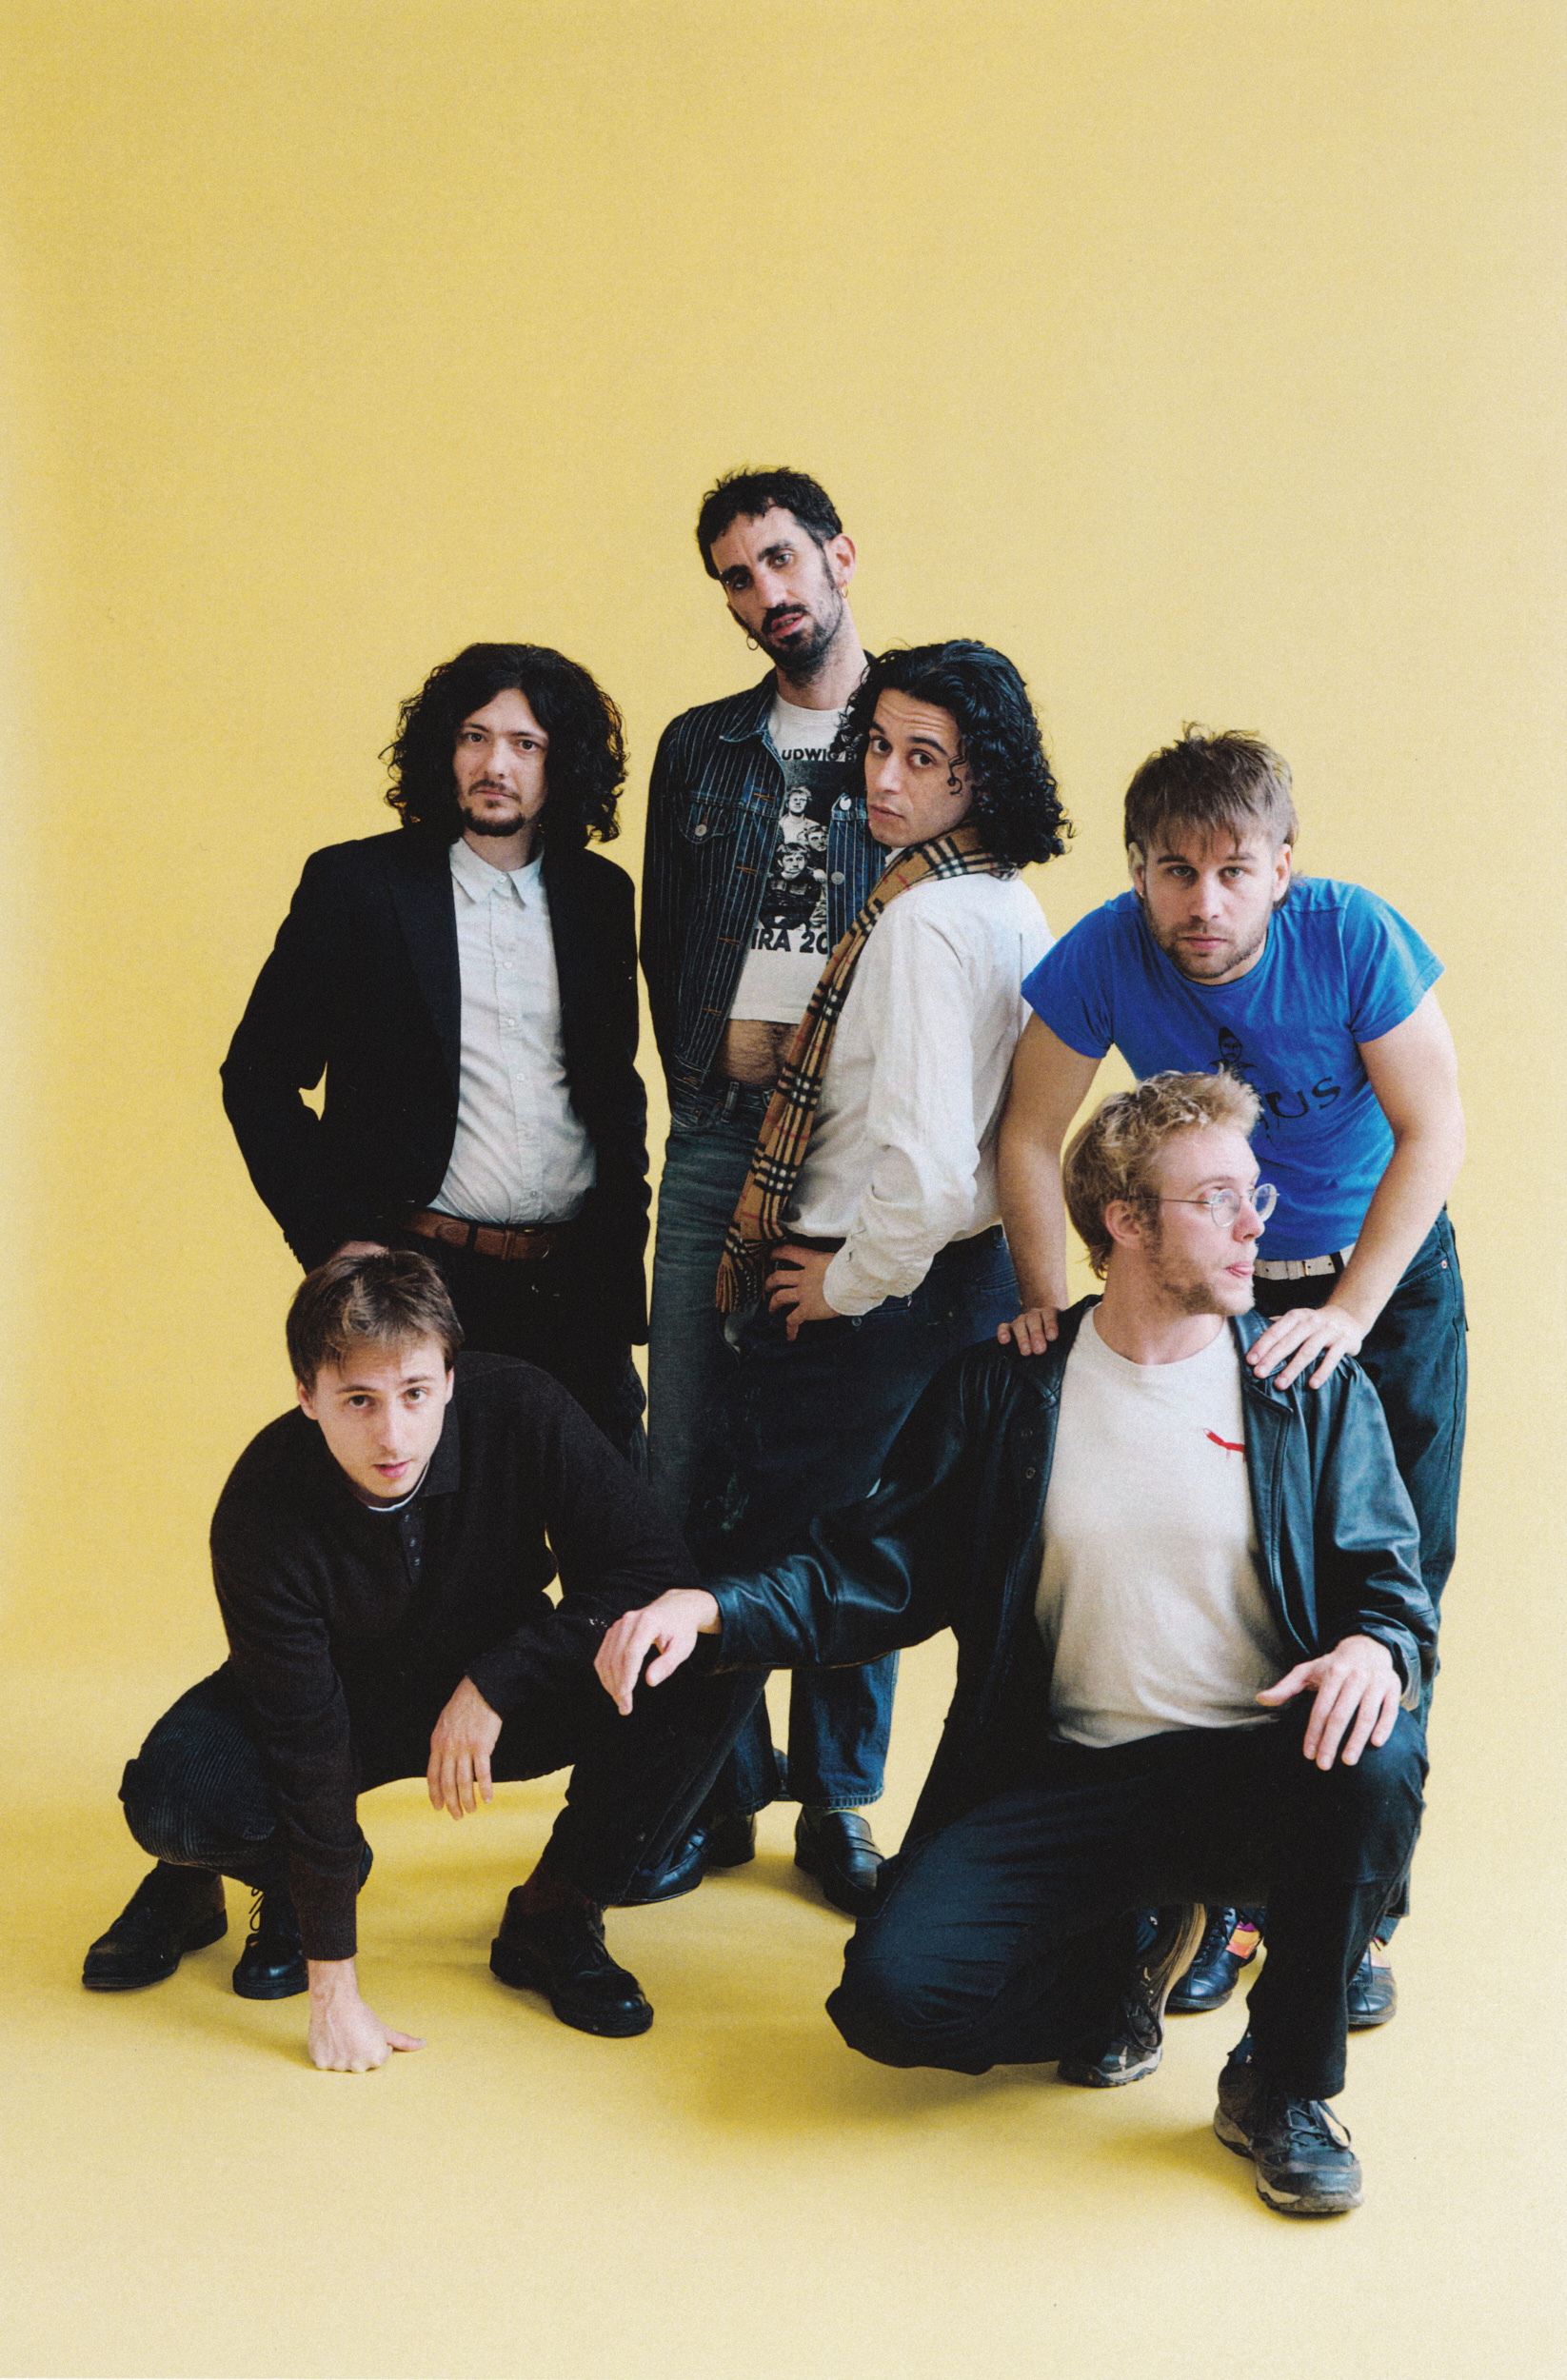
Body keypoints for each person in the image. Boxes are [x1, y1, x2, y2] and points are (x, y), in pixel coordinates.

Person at [597, 1074, 1434, 2217]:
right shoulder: (1008, 1388)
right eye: (1217, 1199)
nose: (1254, 1224)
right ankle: (1122, 1964)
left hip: (1251, 1772)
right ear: (1124, 1222)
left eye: (1256, 1194)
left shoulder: (1301, 1385)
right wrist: (710, 1609)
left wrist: (1375, 1646)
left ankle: (1281, 2084)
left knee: (1376, 1748)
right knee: (890, 2001)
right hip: (1063, 1780)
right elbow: (871, 1569)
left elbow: (1390, 1588)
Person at [996, 726, 1464, 2018]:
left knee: (1388, 1589)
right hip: (1221, 1281)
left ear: (1280, 869)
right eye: (1172, 871)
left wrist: (1351, 1313)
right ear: (1136, 871)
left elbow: (1433, 1128)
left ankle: (1350, 1916)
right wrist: (1045, 1299)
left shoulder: (1351, 936)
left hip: (1379, 1274)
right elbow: (1028, 1134)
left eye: (1231, 870)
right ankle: (1218, 1890)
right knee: (1240, 1574)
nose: (1201, 901)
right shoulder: (1103, 952)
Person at [81, 1253, 760, 2070]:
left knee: (705, 1647)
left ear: (449, 1377)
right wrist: (334, 1993)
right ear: (307, 1395)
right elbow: (304, 1737)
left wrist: (496, 1682)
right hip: (333, 1702)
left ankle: (557, 1908)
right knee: (175, 1800)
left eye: (414, 1393)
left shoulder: (521, 1406)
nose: (393, 1435)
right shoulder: (261, 1502)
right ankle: (245, 1878)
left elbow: (652, 1575)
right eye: (358, 1401)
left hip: (499, 1691)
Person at [688, 640, 1068, 1909]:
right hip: (959, 1282)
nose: (885, 780)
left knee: (761, 1551)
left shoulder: (916, 923)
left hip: (872, 1287)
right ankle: (831, 1807)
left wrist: (844, 1285)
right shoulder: (1003, 900)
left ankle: (697, 1802)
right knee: (875, 1551)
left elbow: (920, 1165)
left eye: (923, 758)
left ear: (980, 776)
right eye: (876, 747)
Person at [639, 467, 891, 1904]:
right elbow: (668, 943)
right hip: (718, 1138)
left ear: (839, 554)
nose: (765, 594)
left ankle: (837, 1803)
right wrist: (705, 1077)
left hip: (856, 1156)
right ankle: (707, 1787)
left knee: (848, 1483)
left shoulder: (914, 730)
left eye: (782, 559)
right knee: (685, 1463)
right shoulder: (701, 747)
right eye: (737, 576)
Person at [222, 643, 649, 1465]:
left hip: (576, 1285)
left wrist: (619, 1258)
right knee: (454, 1532)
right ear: (443, 750)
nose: (496, 765)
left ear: (561, 764)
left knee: (621, 1520)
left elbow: (613, 1093)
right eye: (474, 737)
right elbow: (258, 1077)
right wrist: (335, 1239)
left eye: (526, 744)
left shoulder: (600, 896)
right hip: (424, 1282)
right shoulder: (357, 886)